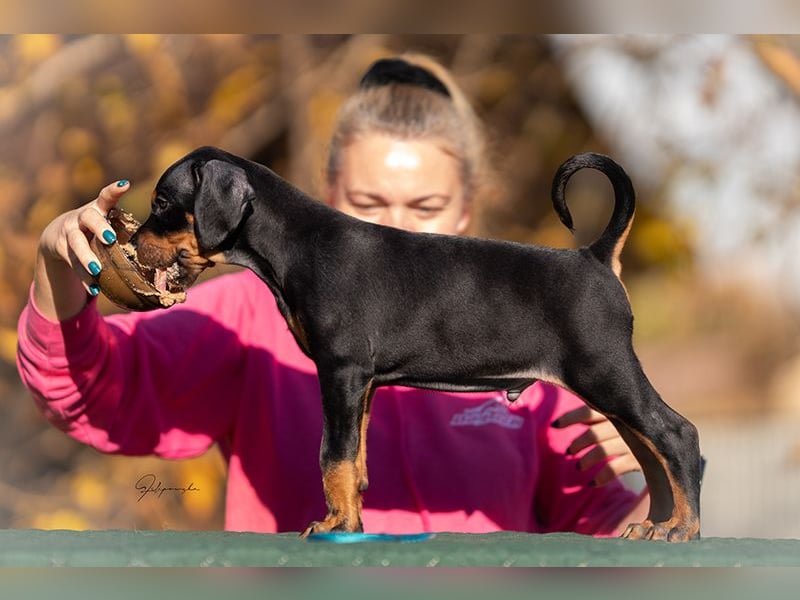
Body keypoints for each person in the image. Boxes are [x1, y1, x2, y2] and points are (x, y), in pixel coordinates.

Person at [17, 53, 648, 535]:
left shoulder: (527, 318)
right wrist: (57, 269)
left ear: (466, 210)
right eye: (370, 205)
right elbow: (90, 391)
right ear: (327, 196)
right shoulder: (244, 315)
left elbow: (603, 534)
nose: (397, 226)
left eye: (425, 205)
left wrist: (634, 454)